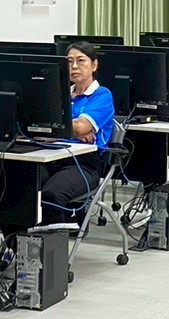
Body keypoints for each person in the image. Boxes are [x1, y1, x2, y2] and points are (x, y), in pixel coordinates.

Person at [39, 42, 117, 222]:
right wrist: (72, 131)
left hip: (83, 164)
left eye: (81, 61)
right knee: (18, 185)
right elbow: (39, 126)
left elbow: (81, 127)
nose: (74, 66)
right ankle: (17, 238)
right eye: (69, 62)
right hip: (50, 156)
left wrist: (60, 129)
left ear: (94, 65)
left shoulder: (102, 95)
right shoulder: (59, 94)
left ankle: (53, 239)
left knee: (51, 195)